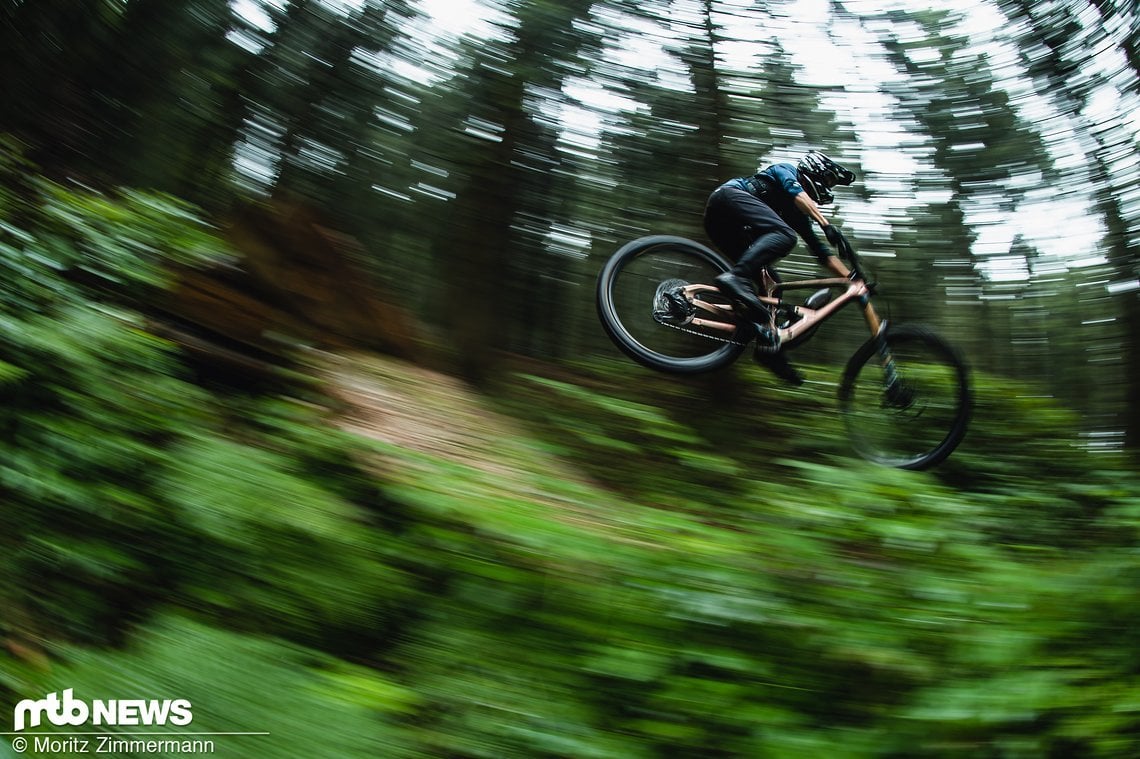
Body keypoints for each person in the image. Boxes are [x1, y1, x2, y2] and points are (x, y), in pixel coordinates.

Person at [703, 150, 856, 386]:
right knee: (785, 235)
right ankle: (736, 277)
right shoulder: (787, 171)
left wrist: (852, 279)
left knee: (771, 285)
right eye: (828, 181)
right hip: (728, 200)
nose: (829, 187)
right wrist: (826, 225)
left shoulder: (798, 214)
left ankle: (768, 349)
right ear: (815, 169)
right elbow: (798, 195)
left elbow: (822, 254)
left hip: (731, 230)